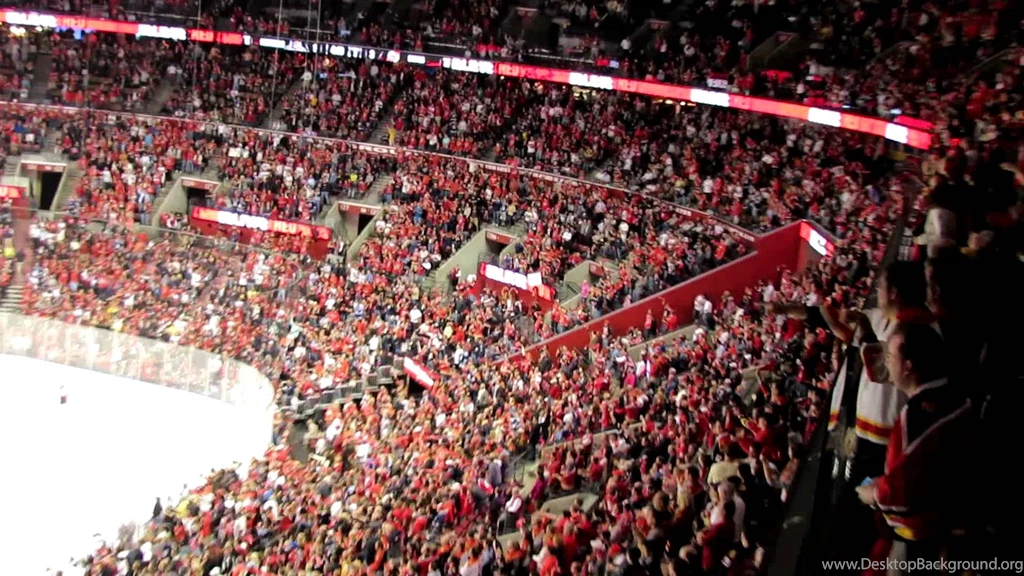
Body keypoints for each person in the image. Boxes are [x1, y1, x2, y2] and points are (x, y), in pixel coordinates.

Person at [856, 323, 973, 572]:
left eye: (890, 356)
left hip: (923, 541)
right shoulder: (958, 395)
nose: (886, 363)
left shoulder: (916, 418)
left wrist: (873, 493)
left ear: (908, 367)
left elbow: (899, 496)